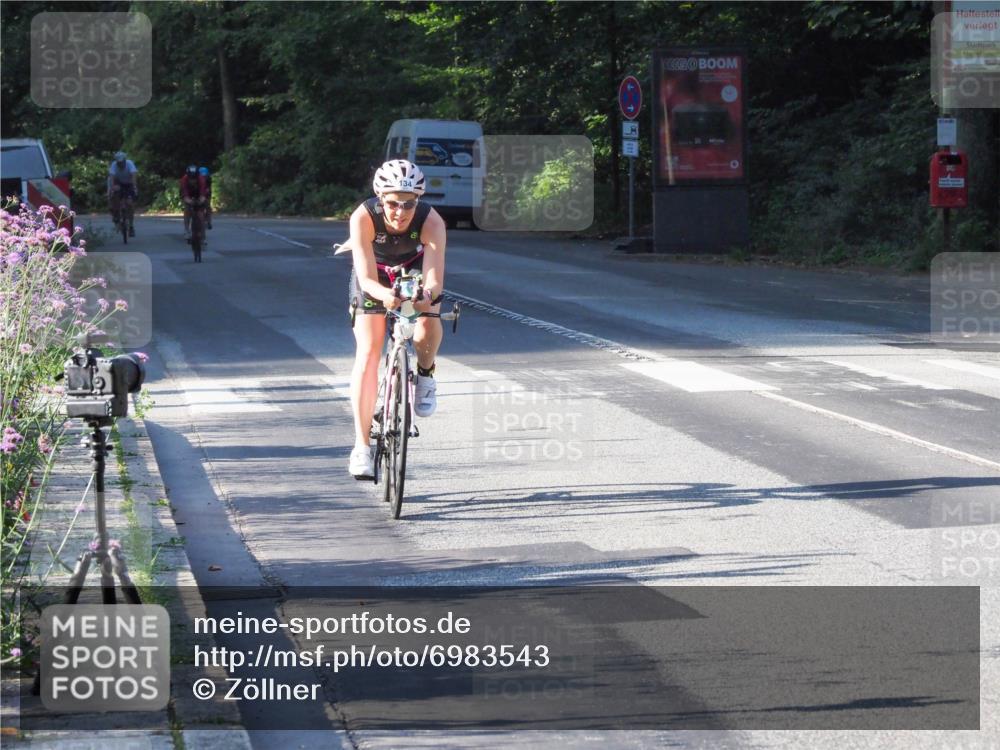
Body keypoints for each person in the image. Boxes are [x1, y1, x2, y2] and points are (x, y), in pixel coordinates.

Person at [346, 159, 447, 479]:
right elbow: (365, 278)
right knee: (369, 350)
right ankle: (361, 447)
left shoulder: (431, 221)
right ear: (380, 199)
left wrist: (424, 298)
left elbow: (433, 280)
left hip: (412, 274)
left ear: (418, 201)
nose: (400, 211)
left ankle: (425, 374)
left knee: (426, 322)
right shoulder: (364, 216)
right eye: (392, 203)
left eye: (408, 204)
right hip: (375, 279)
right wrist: (383, 296)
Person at [107, 151, 138, 236]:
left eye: (122, 162)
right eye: (119, 162)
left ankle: (131, 226)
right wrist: (112, 188)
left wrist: (134, 186)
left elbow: (134, 175)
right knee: (113, 196)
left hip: (128, 183)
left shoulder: (130, 164)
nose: (120, 164)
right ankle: (116, 214)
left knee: (130, 204)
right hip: (118, 183)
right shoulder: (114, 165)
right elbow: (112, 178)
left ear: (125, 160)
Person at [179, 165, 209, 239]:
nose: (192, 180)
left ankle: (203, 231)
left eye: (194, 178)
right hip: (188, 194)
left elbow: (203, 194)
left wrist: (200, 202)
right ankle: (186, 230)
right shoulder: (184, 180)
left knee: (201, 210)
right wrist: (190, 202)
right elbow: (185, 195)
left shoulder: (201, 179)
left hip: (198, 193)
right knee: (187, 209)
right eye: (191, 178)